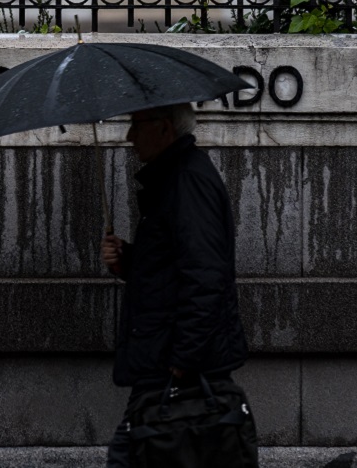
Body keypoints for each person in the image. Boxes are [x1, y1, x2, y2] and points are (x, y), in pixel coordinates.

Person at [101, 103, 249, 467]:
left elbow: (206, 276)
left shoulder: (187, 181)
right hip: (165, 359)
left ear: (165, 128)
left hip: (174, 366)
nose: (129, 136)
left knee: (127, 456)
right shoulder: (175, 179)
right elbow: (174, 267)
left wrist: (183, 359)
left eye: (137, 125)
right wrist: (129, 260)